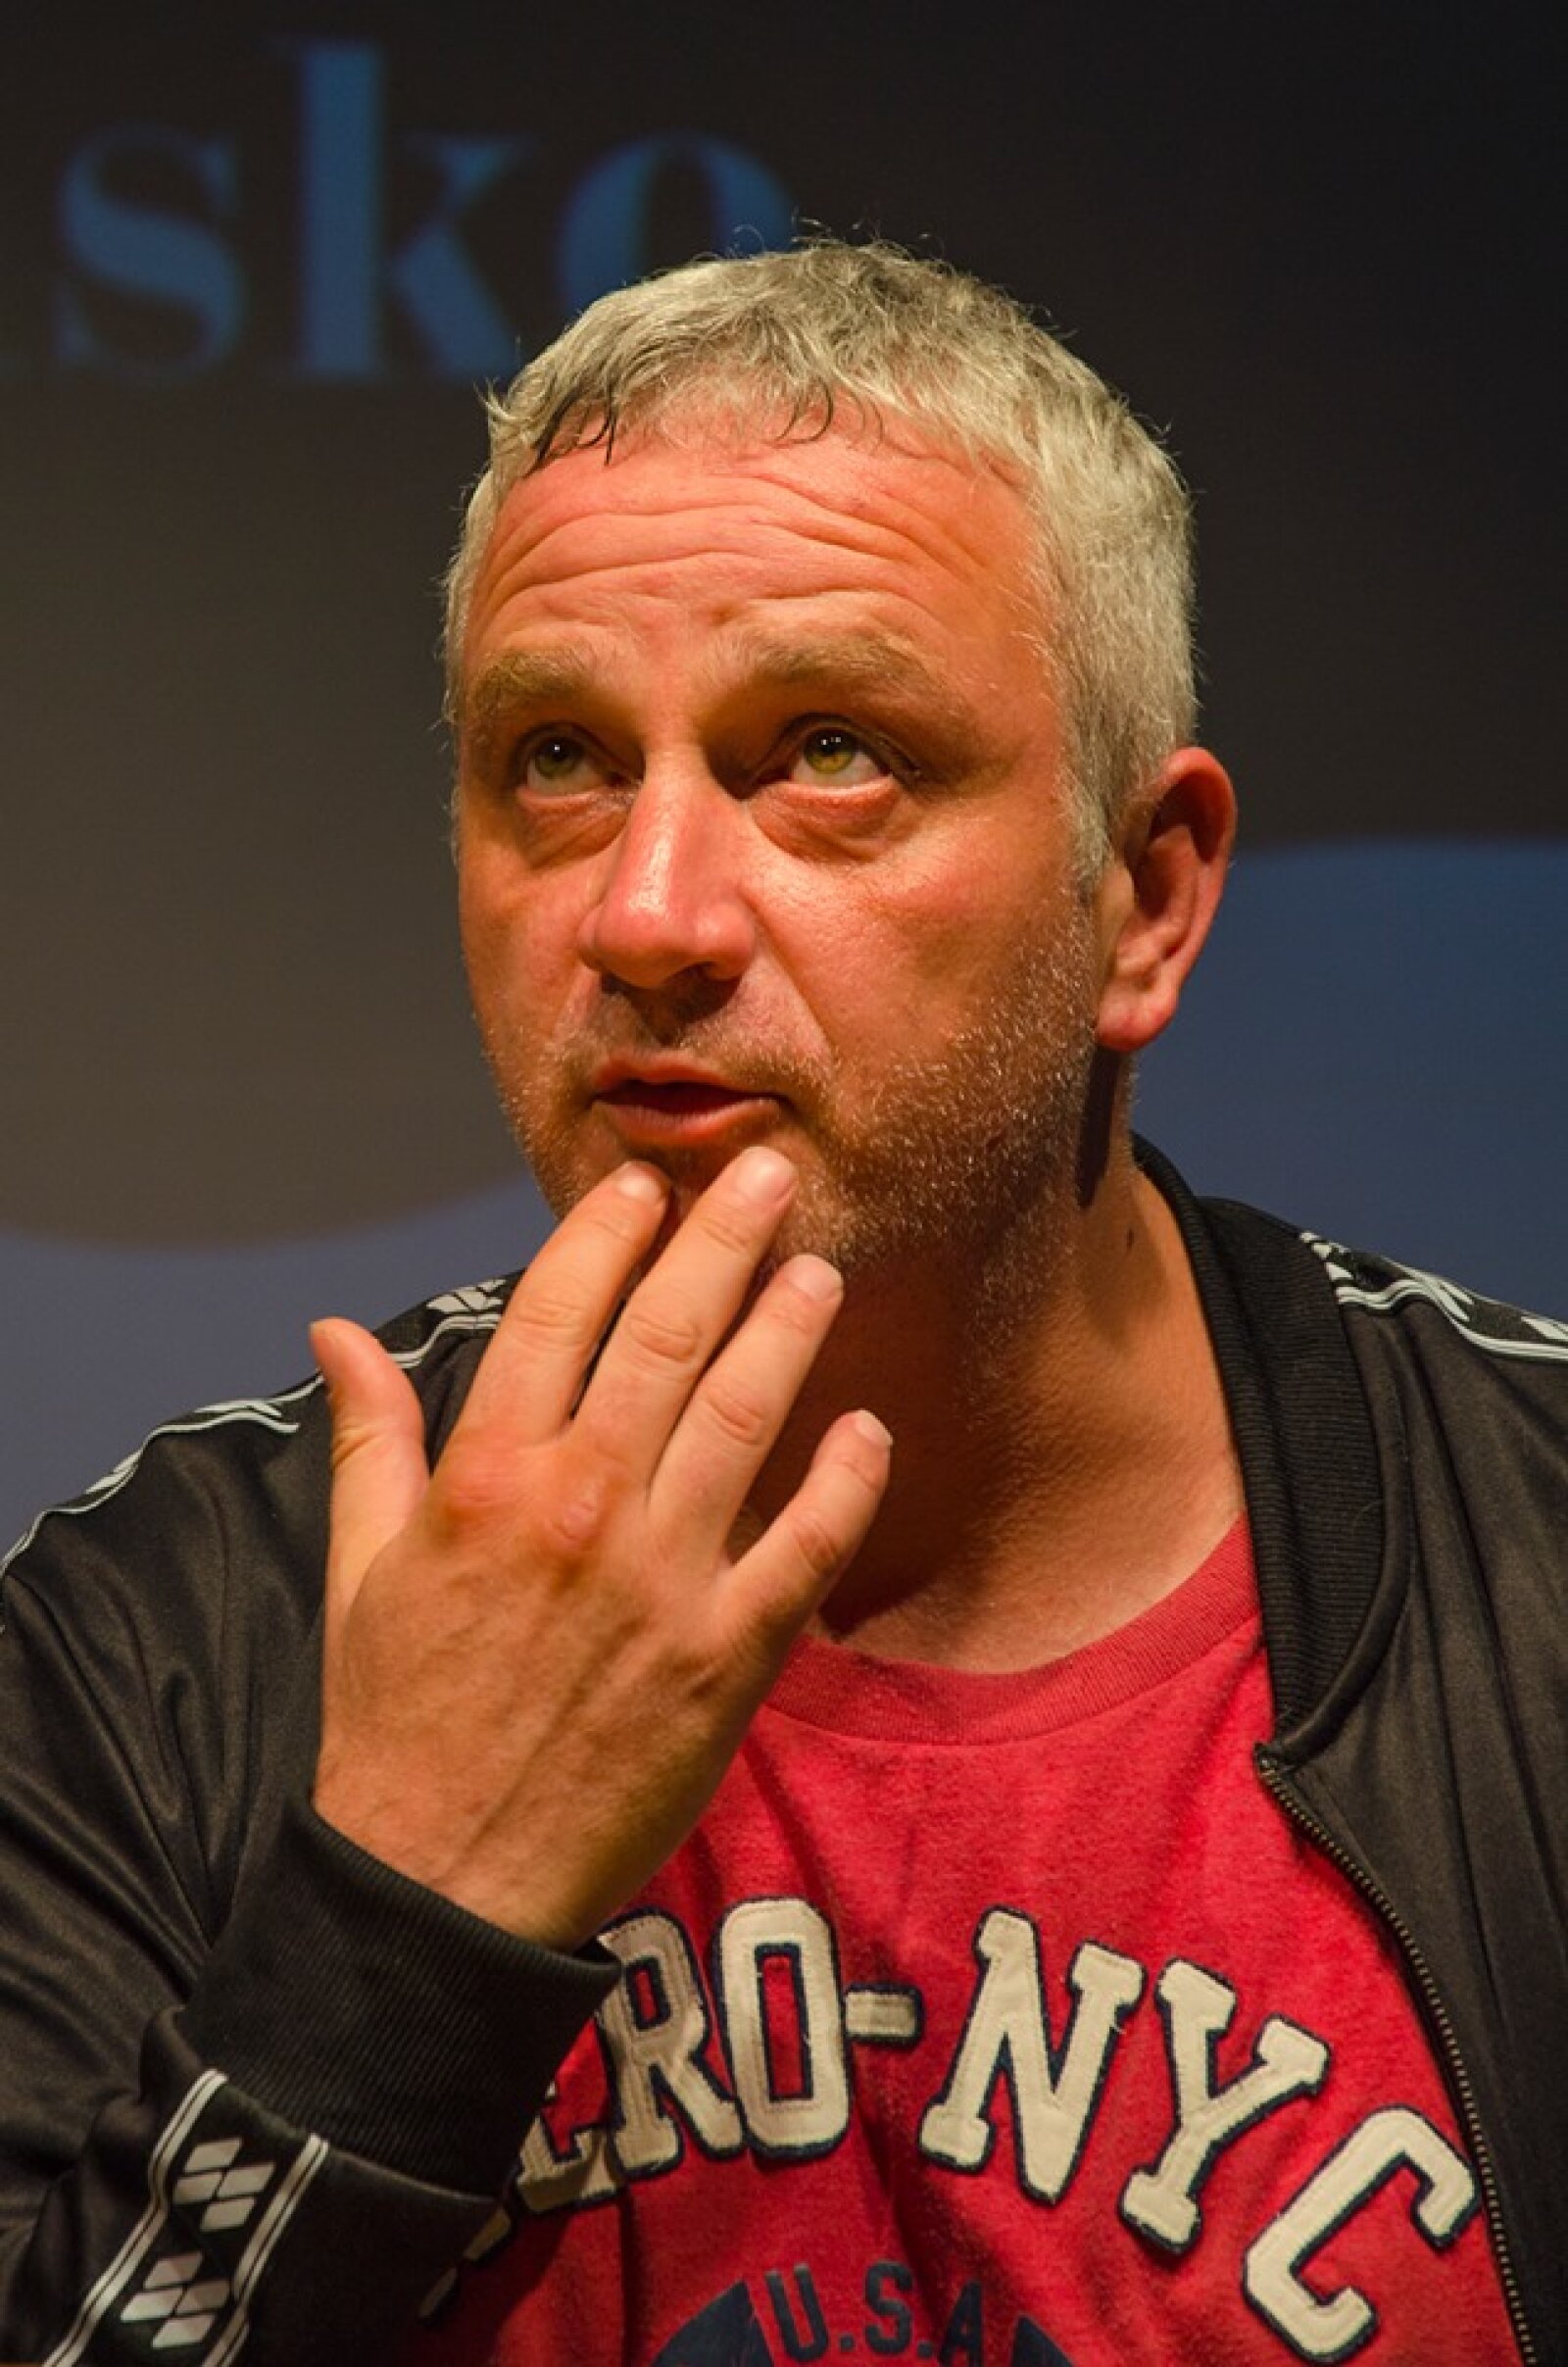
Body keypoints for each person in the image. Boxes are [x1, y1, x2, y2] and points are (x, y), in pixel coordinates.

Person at [0, 242, 1559, 2367]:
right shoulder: (154, 1651)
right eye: (557, 757)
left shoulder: (1536, 1567)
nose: (646, 914)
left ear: (1143, 897)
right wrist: (406, 1907)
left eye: (828, 750)